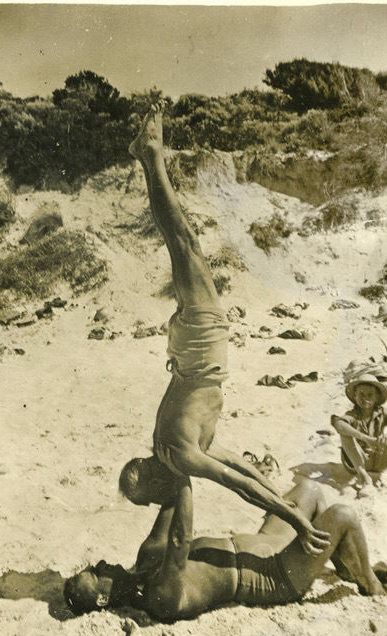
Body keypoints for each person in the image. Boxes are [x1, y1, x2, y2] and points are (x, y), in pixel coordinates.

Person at [120, 100, 329, 553]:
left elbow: (237, 484)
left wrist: (293, 516)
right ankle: (148, 156)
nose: (159, 502)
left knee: (185, 242)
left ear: (155, 482)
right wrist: (281, 501)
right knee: (182, 244)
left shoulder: (180, 455)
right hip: (189, 354)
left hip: (200, 351)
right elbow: (242, 470)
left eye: (151, 497)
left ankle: (150, 154)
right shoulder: (176, 451)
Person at [64, 478, 387, 620]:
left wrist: (168, 470)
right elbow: (181, 540)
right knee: (342, 515)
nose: (100, 563)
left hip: (259, 544)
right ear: (103, 599)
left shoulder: (146, 557)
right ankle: (372, 586)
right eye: (95, 573)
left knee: (309, 489)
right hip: (275, 576)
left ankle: (344, 563)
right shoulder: (157, 598)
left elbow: (172, 502)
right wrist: (184, 479)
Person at [331, 373, 387, 495]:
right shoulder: (352, 415)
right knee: (345, 433)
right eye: (361, 394)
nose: (365, 398)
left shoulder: (383, 413)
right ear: (355, 396)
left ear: (376, 397)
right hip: (356, 463)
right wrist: (366, 439)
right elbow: (339, 424)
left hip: (380, 460)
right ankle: (364, 478)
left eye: (370, 394)